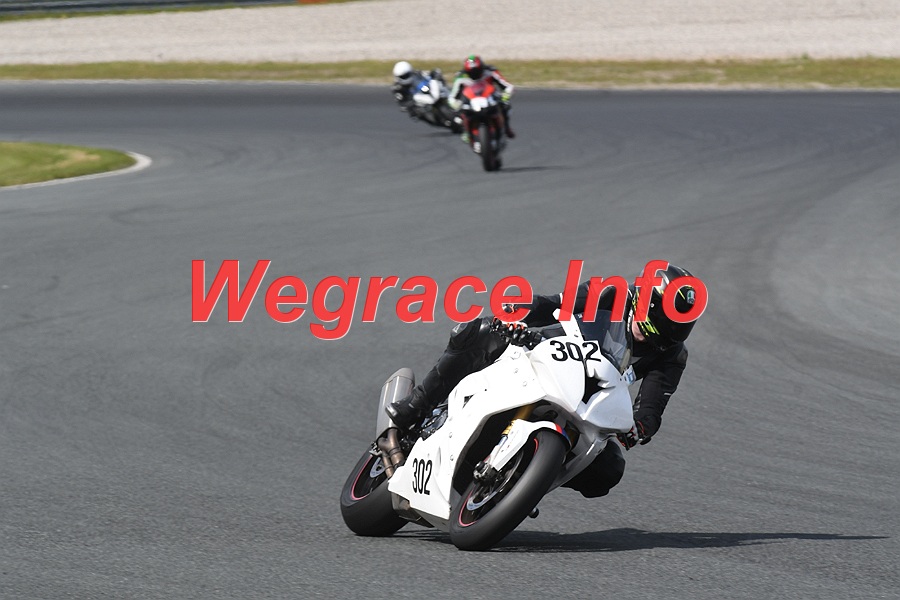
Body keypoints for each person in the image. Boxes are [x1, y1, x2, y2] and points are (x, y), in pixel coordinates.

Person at [386, 263, 700, 499]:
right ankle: (417, 405)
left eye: (682, 324)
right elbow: (552, 305)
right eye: (669, 319)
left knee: (609, 470)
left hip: (587, 401)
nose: (673, 331)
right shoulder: (610, 293)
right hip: (544, 357)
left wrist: (639, 429)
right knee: (480, 331)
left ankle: (525, 480)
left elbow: (652, 405)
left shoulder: (671, 354)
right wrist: (517, 313)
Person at [447, 54, 516, 143]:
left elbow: (508, 86)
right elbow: (452, 96)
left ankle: (506, 128)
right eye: (471, 73)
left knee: (505, 105)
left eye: (477, 71)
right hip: (470, 100)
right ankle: (466, 131)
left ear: (482, 67)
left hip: (490, 98)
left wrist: (505, 95)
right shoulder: (461, 77)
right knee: (458, 112)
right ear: (466, 71)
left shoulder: (490, 72)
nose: (475, 75)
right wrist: (455, 104)